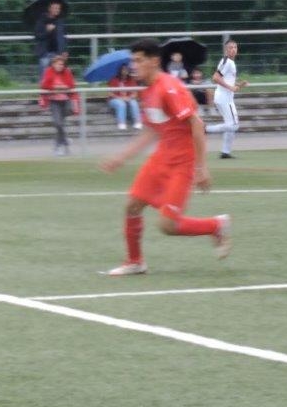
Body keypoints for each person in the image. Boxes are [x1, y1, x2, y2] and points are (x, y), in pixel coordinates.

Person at [100, 38, 231, 276]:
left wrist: (201, 167)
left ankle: (215, 225)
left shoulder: (169, 87)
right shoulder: (148, 90)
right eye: (132, 61)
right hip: (161, 158)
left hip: (182, 163)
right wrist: (122, 157)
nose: (133, 66)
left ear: (154, 61)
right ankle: (135, 262)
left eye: (139, 60)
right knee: (132, 206)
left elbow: (197, 124)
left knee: (168, 226)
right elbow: (151, 130)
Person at [205, 40, 248, 159]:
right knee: (234, 125)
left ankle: (225, 152)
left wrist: (239, 85)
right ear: (226, 50)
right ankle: (206, 129)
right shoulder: (226, 61)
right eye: (230, 47)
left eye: (235, 47)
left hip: (225, 98)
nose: (233, 49)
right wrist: (230, 87)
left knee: (230, 125)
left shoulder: (231, 62)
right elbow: (215, 77)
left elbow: (228, 81)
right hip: (224, 98)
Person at [39, 52, 80, 155]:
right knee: (58, 124)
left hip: (65, 101)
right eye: (58, 64)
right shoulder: (48, 71)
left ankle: (60, 147)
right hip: (54, 101)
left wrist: (61, 87)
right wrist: (56, 87)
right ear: (53, 64)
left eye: (62, 64)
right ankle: (64, 142)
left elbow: (71, 85)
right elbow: (44, 85)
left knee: (60, 124)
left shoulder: (67, 72)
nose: (60, 66)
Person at [33, 0, 67, 78]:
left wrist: (65, 50)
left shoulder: (60, 21)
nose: (57, 10)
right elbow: (37, 36)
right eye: (55, 8)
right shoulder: (41, 21)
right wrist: (47, 31)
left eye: (58, 8)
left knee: (57, 76)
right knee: (44, 76)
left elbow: (64, 36)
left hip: (58, 52)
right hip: (45, 53)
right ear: (49, 9)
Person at [107, 63, 142, 131]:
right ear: (120, 70)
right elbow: (110, 93)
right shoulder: (114, 79)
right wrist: (121, 98)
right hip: (115, 99)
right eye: (123, 69)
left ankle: (137, 122)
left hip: (128, 98)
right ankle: (121, 123)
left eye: (127, 69)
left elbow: (135, 93)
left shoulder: (131, 79)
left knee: (134, 103)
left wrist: (129, 98)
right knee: (121, 104)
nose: (125, 71)